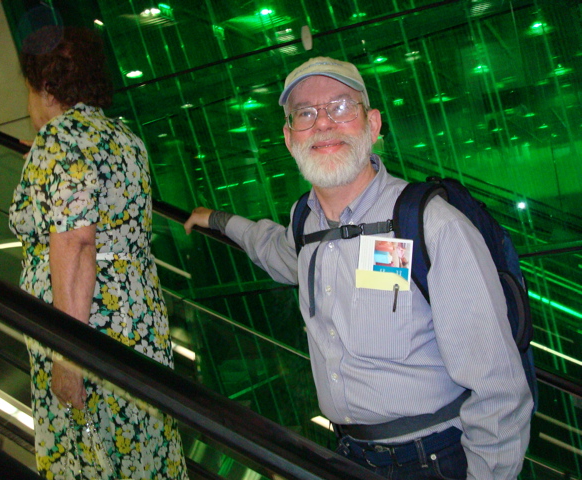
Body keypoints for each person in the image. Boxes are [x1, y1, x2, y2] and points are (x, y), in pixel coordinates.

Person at [184, 57, 533, 479]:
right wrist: (218, 221)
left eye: (341, 107)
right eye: (305, 113)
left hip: (432, 460)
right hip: (346, 455)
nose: (323, 124)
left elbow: (498, 389)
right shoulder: (305, 223)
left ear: (373, 125)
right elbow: (275, 249)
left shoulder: (429, 226)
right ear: (289, 138)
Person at [9, 26, 188, 480]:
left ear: (45, 88)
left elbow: (77, 242)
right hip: (137, 322)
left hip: (88, 329)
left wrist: (69, 357)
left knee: (91, 458)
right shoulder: (121, 138)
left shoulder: (59, 141)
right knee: (142, 454)